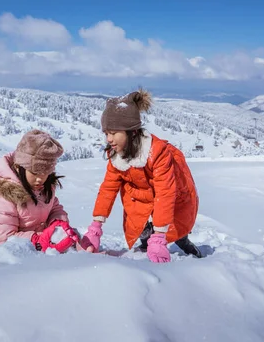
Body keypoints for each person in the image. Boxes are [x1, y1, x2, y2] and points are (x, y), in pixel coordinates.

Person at [80, 88, 203, 262]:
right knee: (144, 231)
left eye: (113, 133)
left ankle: (186, 246)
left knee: (175, 229)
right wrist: (95, 227)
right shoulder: (117, 156)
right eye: (106, 133)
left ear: (132, 131)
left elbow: (165, 194)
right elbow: (108, 189)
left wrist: (160, 236)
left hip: (173, 198)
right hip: (142, 198)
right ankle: (148, 243)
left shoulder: (158, 153)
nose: (108, 139)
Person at [0, 129, 79, 253]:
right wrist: (36, 240)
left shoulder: (43, 189)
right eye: (35, 172)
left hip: (42, 252)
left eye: (45, 173)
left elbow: (54, 208)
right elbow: (1, 240)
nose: (40, 178)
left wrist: (58, 223)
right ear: (19, 167)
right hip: (14, 258)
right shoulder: (3, 197)